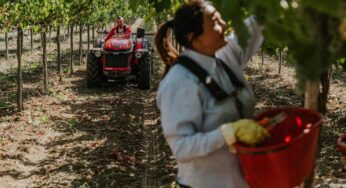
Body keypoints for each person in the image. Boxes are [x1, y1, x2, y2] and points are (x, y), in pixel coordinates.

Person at [155, 1, 269, 188]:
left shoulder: (224, 58)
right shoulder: (179, 83)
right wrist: (228, 133)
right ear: (194, 37)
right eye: (215, 22)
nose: (224, 24)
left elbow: (256, 24)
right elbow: (182, 148)